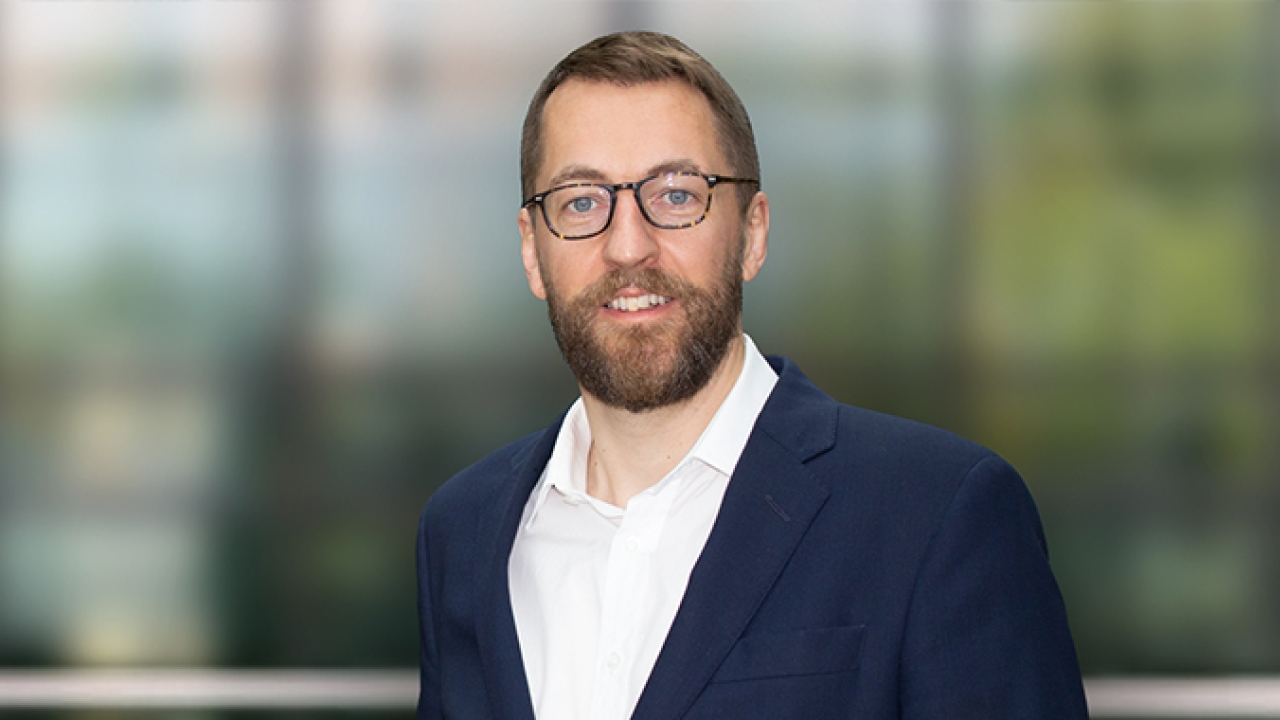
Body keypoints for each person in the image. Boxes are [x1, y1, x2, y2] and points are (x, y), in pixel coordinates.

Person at [415, 31, 1088, 720]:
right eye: (581, 202)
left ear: (753, 234)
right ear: (533, 251)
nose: (628, 247)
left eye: (677, 195)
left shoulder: (938, 514)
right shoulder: (462, 535)